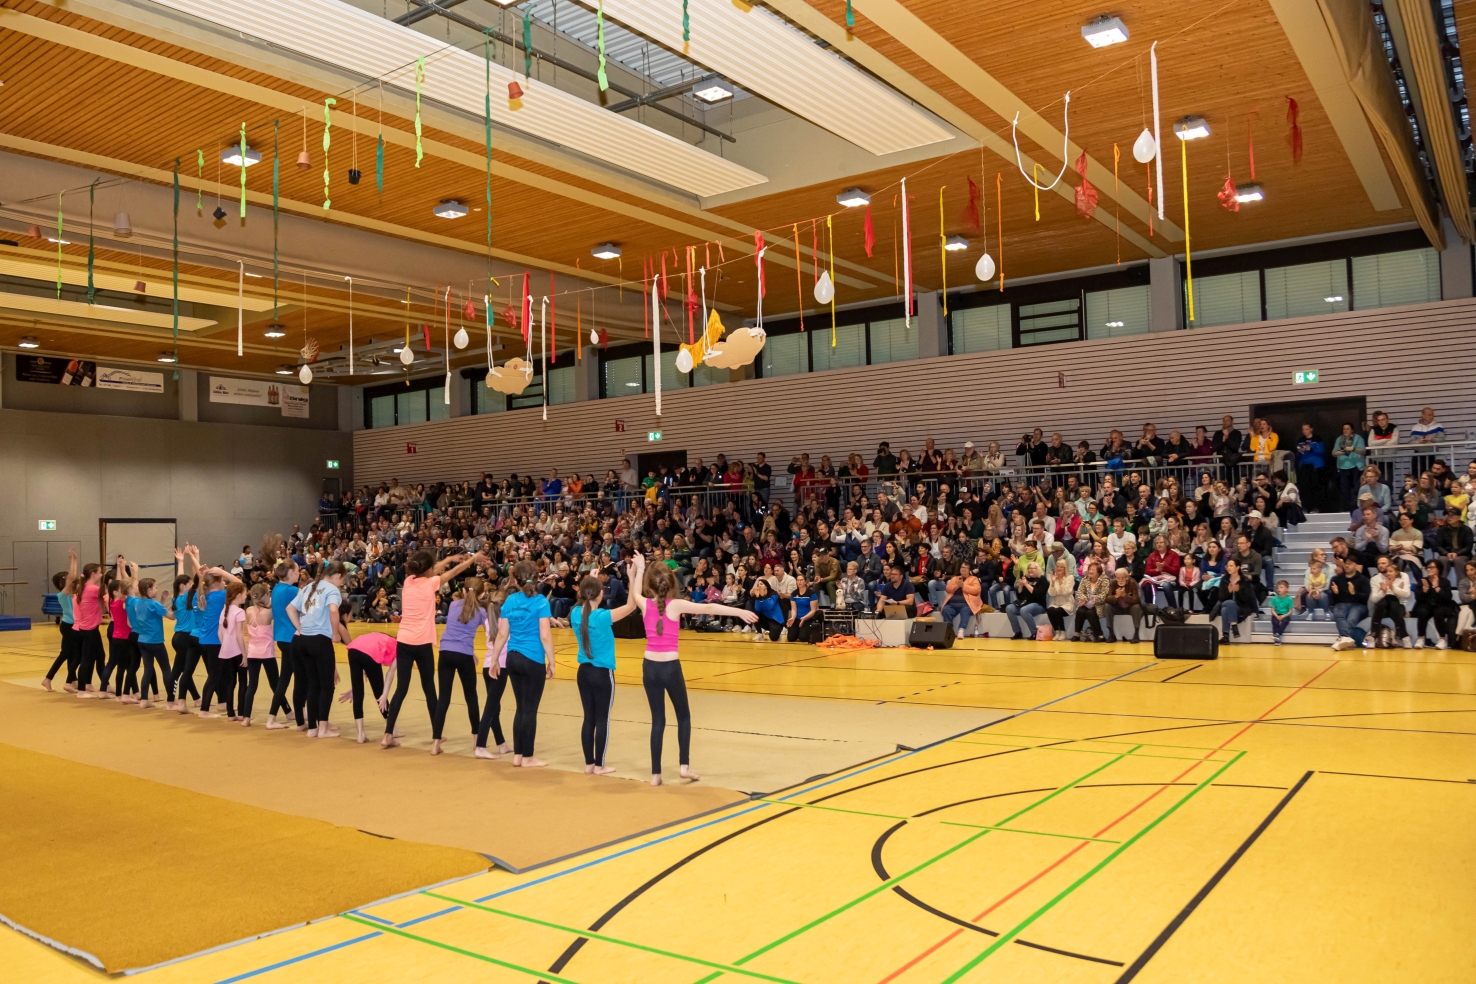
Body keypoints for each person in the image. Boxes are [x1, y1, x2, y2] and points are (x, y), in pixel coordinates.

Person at [631, 554, 757, 786]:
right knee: (684, 716)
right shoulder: (676, 605)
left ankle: (655, 775)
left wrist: (638, 569)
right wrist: (739, 612)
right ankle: (684, 767)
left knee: (657, 720)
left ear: (650, 584)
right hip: (670, 667)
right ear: (671, 582)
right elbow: (708, 606)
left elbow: (635, 592)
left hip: (649, 667)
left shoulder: (643, 604)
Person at [383, 549, 486, 748]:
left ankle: (388, 733)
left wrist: (447, 559)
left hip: (404, 640)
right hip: (421, 643)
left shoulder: (408, 581)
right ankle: (435, 734)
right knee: (429, 688)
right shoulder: (431, 583)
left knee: (401, 688)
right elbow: (455, 571)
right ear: (429, 570)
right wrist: (473, 558)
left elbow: (430, 570)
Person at [570, 568, 640, 774]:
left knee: (588, 718)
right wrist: (632, 576)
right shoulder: (602, 617)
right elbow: (631, 605)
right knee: (602, 719)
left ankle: (589, 764)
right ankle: (599, 765)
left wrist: (591, 580)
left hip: (583, 672)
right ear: (600, 594)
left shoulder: (575, 613)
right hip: (602, 674)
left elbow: (586, 598)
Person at [486, 560, 556, 767]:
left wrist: (495, 659)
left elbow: (502, 634)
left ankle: (518, 755)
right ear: (536, 578)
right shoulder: (541, 602)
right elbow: (545, 635)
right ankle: (528, 757)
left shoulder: (510, 601)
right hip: (532, 658)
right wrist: (552, 661)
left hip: (513, 657)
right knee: (530, 709)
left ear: (515, 580)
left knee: (520, 707)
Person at [429, 577, 490, 756]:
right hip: (464, 654)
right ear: (482, 594)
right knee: (471, 697)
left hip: (446, 652)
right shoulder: (481, 612)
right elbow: (490, 631)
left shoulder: (454, 605)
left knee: (443, 698)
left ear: (463, 591)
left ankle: (435, 743)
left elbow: (456, 629)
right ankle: (476, 741)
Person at [288, 562, 349, 737]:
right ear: (337, 576)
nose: (341, 584)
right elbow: (333, 610)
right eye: (342, 580)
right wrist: (335, 633)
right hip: (320, 640)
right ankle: (323, 728)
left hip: (304, 640)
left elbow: (290, 608)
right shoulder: (332, 590)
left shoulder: (309, 587)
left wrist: (301, 628)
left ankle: (313, 728)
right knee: (327, 686)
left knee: (313, 684)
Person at [266, 562, 306, 730]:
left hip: (282, 638)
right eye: (297, 571)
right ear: (290, 572)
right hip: (292, 638)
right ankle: (301, 716)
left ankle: (273, 717)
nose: (299, 573)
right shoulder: (292, 591)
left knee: (284, 679)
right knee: (301, 679)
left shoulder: (276, 589)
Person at [338, 631, 398, 743]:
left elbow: (364, 652)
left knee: (358, 694)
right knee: (380, 694)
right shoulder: (399, 647)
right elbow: (390, 672)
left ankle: (360, 734)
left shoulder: (382, 638)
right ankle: (392, 729)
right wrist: (384, 694)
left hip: (353, 650)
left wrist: (354, 687)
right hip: (368, 653)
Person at [128, 577, 174, 709]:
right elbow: (171, 616)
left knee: (148, 669)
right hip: (155, 641)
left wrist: (162, 600)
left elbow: (154, 612)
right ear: (149, 590)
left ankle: (144, 699)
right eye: (155, 588)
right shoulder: (154, 604)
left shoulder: (139, 603)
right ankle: (171, 700)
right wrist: (176, 604)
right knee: (166, 669)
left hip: (143, 640)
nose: (157, 590)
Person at [240, 583, 280, 725]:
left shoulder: (248, 610)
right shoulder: (270, 612)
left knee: (252, 685)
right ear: (266, 595)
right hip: (267, 653)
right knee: (276, 685)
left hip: (252, 652)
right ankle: (288, 711)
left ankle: (246, 717)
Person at [1367, 556, 1412, 648]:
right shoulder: (1374, 579)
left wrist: (1392, 588)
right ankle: (1404, 636)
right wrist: (1383, 592)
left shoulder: (1403, 577)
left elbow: (1407, 594)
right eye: (1378, 564)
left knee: (1392, 601)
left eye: (1383, 563)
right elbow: (1374, 599)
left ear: (1390, 564)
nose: (1380, 565)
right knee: (1386, 600)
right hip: (1382, 608)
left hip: (1398, 607)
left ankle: (1373, 635)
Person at [1329, 556, 1371, 651]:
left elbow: (1366, 597)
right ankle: (1346, 638)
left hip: (1359, 605)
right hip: (1342, 603)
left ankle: (1343, 638)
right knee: (1338, 614)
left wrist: (1354, 593)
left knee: (1351, 619)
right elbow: (1333, 600)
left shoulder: (1363, 579)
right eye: (1346, 563)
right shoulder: (1337, 579)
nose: (1347, 565)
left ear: (1356, 566)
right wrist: (1336, 593)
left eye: (1350, 563)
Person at [1412, 561, 1456, 649]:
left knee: (1438, 612)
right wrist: (1424, 591)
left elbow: (1448, 598)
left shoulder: (1445, 582)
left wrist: (1437, 587)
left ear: (1438, 569)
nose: (1429, 569)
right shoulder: (1422, 581)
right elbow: (1418, 598)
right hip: (1426, 605)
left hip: (1441, 605)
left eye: (1432, 567)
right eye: (1428, 568)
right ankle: (1420, 638)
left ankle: (1442, 639)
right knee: (1422, 612)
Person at [1216, 558, 1258, 644]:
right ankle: (1234, 626)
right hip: (1227, 605)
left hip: (1241, 608)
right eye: (1227, 566)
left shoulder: (1245, 580)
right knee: (1228, 604)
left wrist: (1239, 592)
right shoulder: (1224, 580)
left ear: (1237, 567)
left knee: (1225, 609)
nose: (1228, 568)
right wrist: (1228, 592)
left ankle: (1225, 636)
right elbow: (1221, 598)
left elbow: (1246, 599)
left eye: (1231, 566)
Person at [1006, 562, 1047, 639]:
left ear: (1037, 569)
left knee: (1024, 610)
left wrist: (1027, 584)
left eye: (1032, 568)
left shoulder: (1042, 579)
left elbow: (1038, 594)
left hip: (1038, 604)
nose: (1030, 570)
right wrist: (1021, 586)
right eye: (1028, 568)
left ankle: (1034, 633)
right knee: (1009, 608)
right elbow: (1019, 596)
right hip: (1025, 603)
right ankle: (1017, 632)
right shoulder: (1025, 578)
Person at [1268, 580, 1295, 646]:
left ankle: (1277, 635)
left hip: (1285, 614)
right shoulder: (1274, 598)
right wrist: (1276, 615)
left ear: (1286, 589)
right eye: (1278, 588)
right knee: (1275, 622)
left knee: (1285, 621)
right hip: (1276, 614)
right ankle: (1276, 640)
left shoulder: (1289, 599)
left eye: (1281, 587)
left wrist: (1284, 616)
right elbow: (1272, 610)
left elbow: (1290, 611)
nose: (1279, 589)